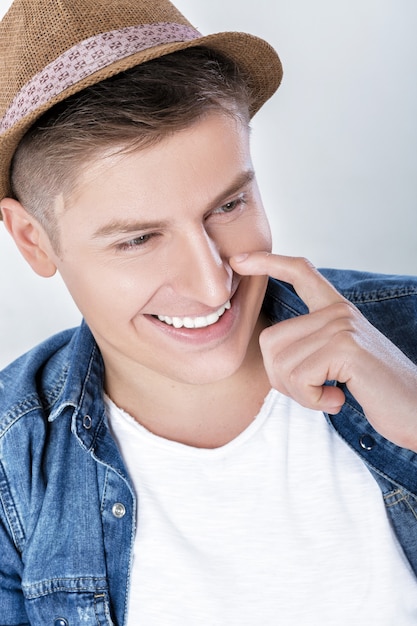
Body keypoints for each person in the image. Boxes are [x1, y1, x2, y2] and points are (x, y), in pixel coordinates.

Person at [0, 0, 417, 624]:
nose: (210, 280)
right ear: (33, 239)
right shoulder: (13, 467)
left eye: (228, 205)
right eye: (139, 239)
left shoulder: (406, 333)